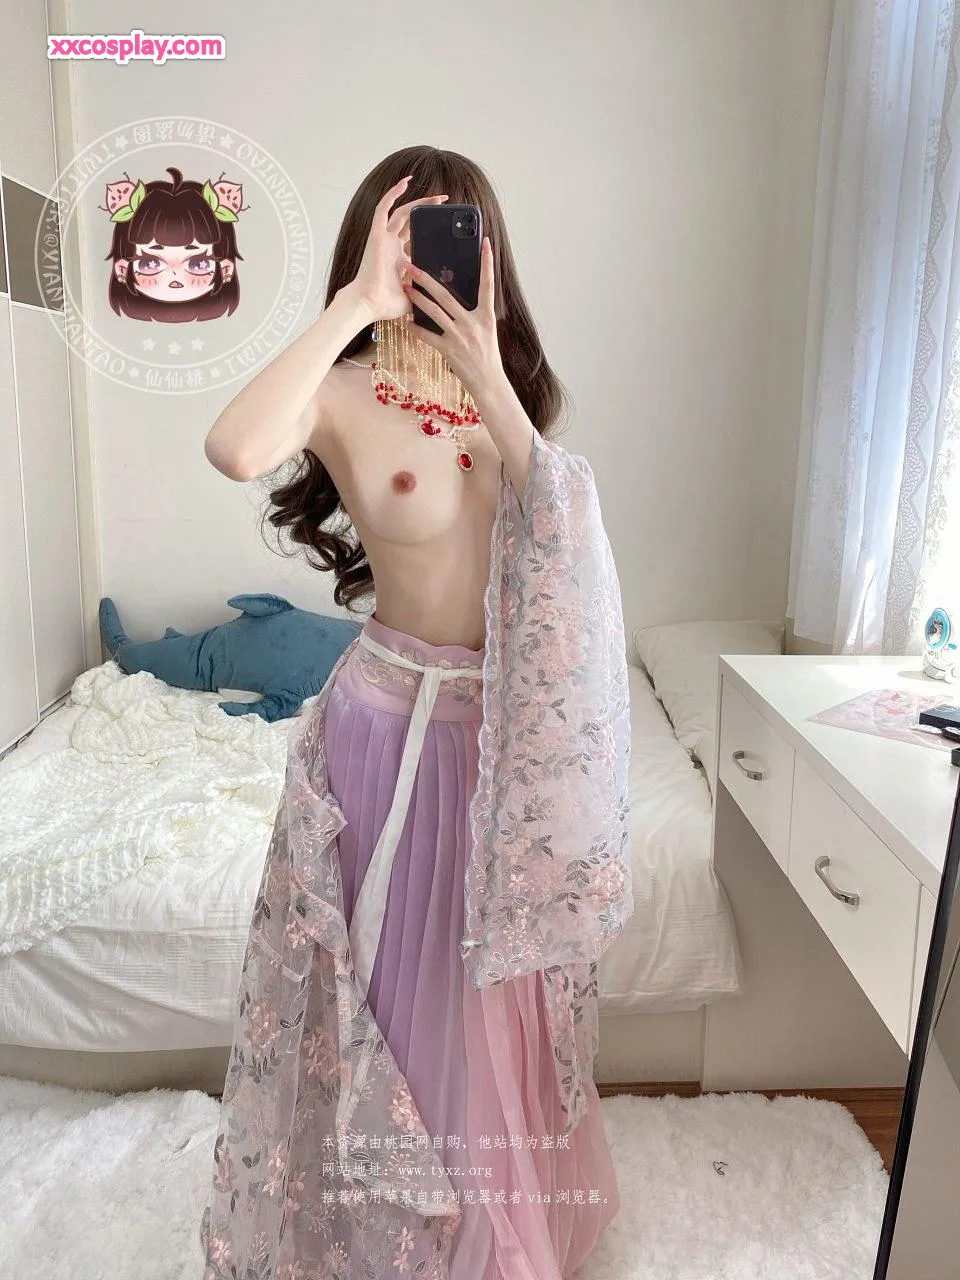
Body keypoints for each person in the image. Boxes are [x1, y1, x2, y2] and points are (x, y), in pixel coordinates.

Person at [200, 145, 630, 1280]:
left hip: (500, 748)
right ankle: (384, 1238)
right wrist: (356, 303)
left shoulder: (512, 405)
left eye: (454, 234)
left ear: (489, 253)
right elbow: (235, 448)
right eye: (407, 233)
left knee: (483, 1008)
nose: (428, 256)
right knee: (391, 997)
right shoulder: (341, 393)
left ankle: (479, 1237)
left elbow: (561, 536)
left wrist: (487, 373)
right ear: (371, 241)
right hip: (384, 734)